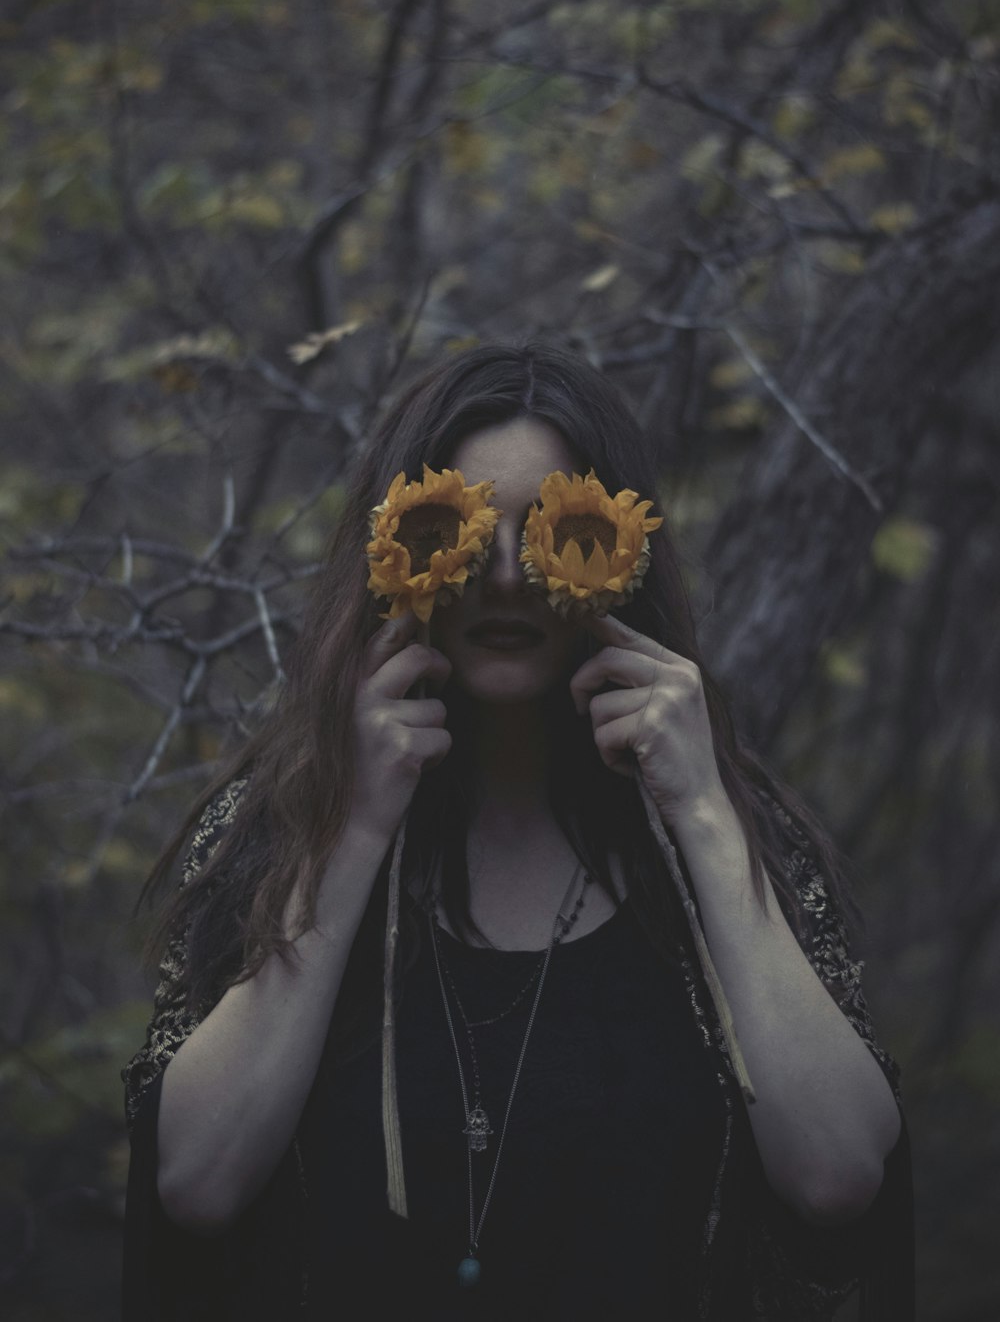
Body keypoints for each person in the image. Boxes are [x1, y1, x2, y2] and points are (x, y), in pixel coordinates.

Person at [121, 341, 914, 1320]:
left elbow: (838, 1174)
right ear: (388, 549)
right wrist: (350, 827)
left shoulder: (729, 833)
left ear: (626, 558)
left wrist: (704, 815)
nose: (502, 574)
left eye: (557, 530)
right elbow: (195, 1184)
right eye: (454, 528)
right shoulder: (273, 832)